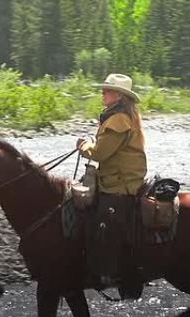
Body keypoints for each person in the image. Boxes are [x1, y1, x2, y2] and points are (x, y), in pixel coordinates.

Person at [75, 73, 147, 299]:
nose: (102, 93)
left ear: (118, 96)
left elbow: (99, 153)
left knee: (101, 221)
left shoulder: (118, 121)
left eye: (107, 90)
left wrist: (84, 145)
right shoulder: (122, 117)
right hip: (120, 178)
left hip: (120, 183)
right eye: (104, 89)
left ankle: (108, 272)